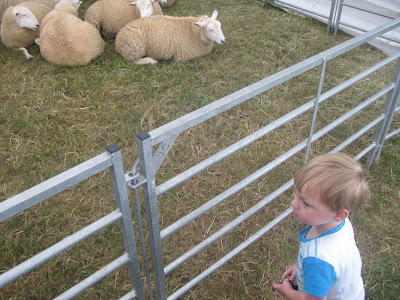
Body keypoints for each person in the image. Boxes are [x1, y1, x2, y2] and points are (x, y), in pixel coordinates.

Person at [272, 152, 369, 300]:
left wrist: (288, 292)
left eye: (305, 202)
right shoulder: (340, 224)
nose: (293, 203)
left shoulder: (319, 260)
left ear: (338, 214)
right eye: (296, 193)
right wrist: (301, 267)